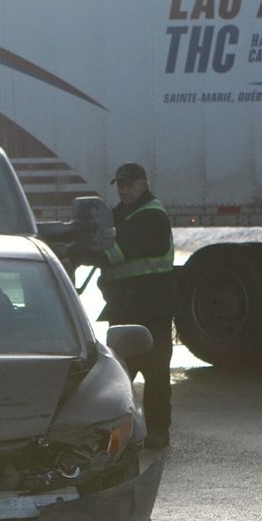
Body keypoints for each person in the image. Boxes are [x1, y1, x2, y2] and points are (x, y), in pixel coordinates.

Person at [89, 162, 176, 448]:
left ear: (143, 184)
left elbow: (115, 252)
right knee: (120, 379)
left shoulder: (150, 216)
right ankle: (118, 439)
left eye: (129, 185)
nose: (124, 190)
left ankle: (156, 434)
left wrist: (84, 250)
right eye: (120, 185)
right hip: (127, 309)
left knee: (154, 375)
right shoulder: (124, 214)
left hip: (151, 310)